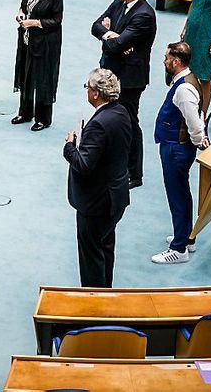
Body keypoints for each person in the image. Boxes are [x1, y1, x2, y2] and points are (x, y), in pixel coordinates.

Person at [64, 69, 132, 288]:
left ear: (95, 94)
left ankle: (94, 307)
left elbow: (83, 164)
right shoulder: (121, 112)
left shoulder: (99, 124)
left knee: (91, 258)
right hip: (115, 197)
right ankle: (106, 294)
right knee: (105, 249)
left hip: (96, 203)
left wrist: (69, 146)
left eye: (88, 87)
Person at [90, 0, 157, 189]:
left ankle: (134, 173)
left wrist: (113, 40)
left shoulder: (144, 15)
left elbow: (117, 45)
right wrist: (111, 36)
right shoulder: (119, 2)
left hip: (129, 79)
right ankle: (113, 162)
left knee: (129, 123)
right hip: (111, 71)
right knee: (108, 119)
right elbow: (96, 25)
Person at [151, 42, 208, 265]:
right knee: (182, 194)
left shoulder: (183, 89)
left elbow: (194, 122)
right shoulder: (189, 80)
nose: (164, 61)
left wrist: (197, 140)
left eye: (166, 58)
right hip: (177, 146)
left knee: (177, 196)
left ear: (175, 62)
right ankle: (186, 237)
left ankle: (179, 249)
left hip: (176, 148)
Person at [12, 0, 63, 131]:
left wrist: (34, 22)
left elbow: (57, 20)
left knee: (42, 78)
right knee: (25, 74)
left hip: (46, 43)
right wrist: (20, 12)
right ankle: (25, 111)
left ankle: (43, 118)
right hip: (27, 38)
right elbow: (24, 4)